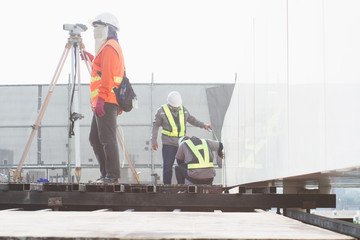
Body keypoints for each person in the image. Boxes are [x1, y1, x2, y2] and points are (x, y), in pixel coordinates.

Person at [87, 13, 125, 183]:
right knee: (95, 139)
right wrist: (90, 58)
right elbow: (102, 66)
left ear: (108, 28)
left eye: (98, 27)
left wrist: (101, 99)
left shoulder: (110, 47)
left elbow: (108, 76)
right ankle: (106, 174)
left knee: (107, 139)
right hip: (103, 101)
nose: (95, 31)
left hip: (106, 101)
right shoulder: (107, 48)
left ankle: (112, 175)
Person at [151, 91, 213, 184]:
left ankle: (184, 186)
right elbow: (155, 126)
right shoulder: (161, 111)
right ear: (169, 104)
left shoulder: (183, 110)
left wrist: (204, 125)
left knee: (185, 166)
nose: (176, 108)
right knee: (168, 167)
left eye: (177, 106)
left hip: (182, 144)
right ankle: (166, 189)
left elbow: (192, 120)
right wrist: (153, 140)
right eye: (174, 107)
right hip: (169, 144)